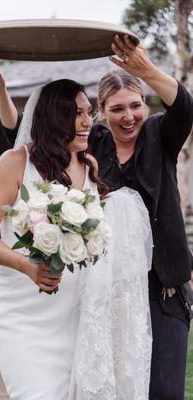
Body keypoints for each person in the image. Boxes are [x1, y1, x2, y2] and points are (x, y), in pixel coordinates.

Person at [0, 76, 108, 399]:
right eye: (78, 114)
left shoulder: (89, 166)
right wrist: (26, 265)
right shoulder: (15, 162)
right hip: (23, 314)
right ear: (54, 117)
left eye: (89, 112)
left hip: (73, 315)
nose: (88, 121)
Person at [89, 35, 193, 399]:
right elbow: (28, 136)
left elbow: (185, 106)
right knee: (116, 388)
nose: (128, 116)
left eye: (135, 106)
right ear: (101, 112)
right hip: (110, 290)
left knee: (164, 391)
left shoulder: (159, 135)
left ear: (145, 108)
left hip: (162, 289)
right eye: (117, 109)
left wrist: (143, 69)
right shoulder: (93, 145)